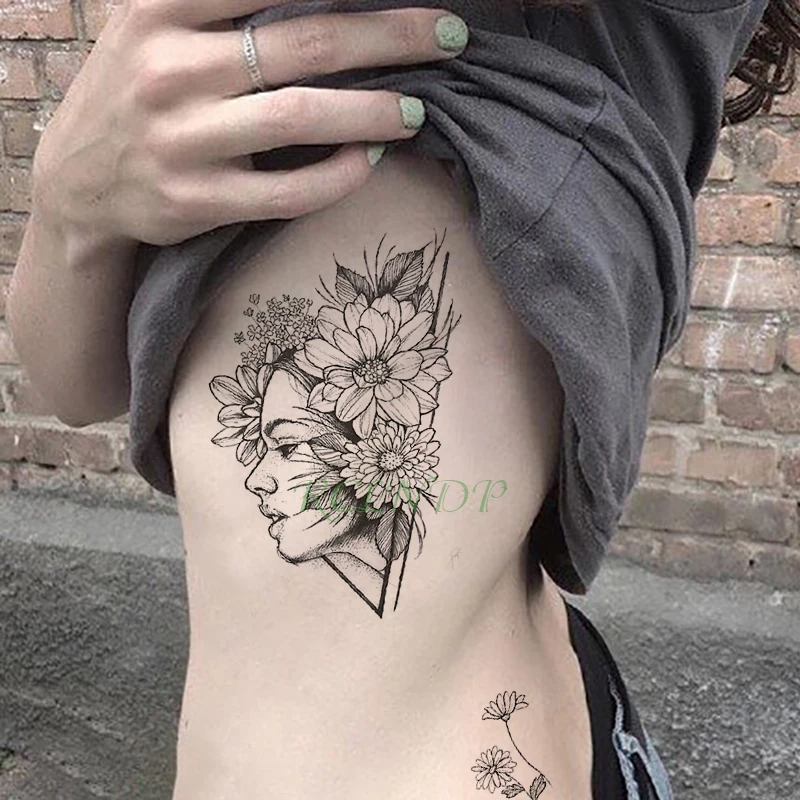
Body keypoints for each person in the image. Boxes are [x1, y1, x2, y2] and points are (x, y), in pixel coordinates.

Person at [6, 0, 798, 798]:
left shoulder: (617, 35)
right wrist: (72, 202)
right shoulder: (205, 50)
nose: (262, 474)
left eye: (289, 443)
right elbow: (77, 387)